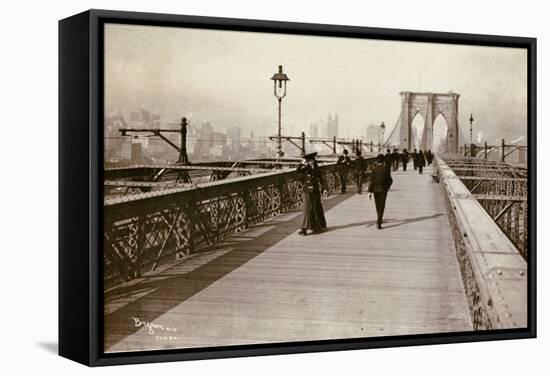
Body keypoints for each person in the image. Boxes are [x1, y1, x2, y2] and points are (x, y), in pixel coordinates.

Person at [296, 152, 327, 235]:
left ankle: (317, 227)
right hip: (306, 191)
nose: (311, 162)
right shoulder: (305, 168)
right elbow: (298, 171)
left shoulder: (317, 170)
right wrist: (301, 163)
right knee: (307, 209)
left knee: (316, 208)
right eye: (309, 161)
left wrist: (324, 189)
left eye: (312, 160)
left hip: (315, 191)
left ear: (314, 160)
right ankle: (304, 228)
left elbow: (322, 180)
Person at [368, 154, 392, 229]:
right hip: (383, 190)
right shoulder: (386, 169)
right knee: (382, 205)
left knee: (377, 205)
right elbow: (390, 180)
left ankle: (379, 219)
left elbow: (371, 181)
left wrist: (369, 192)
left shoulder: (374, 169)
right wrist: (387, 187)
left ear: (377, 161)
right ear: (383, 161)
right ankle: (379, 221)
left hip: (375, 190)